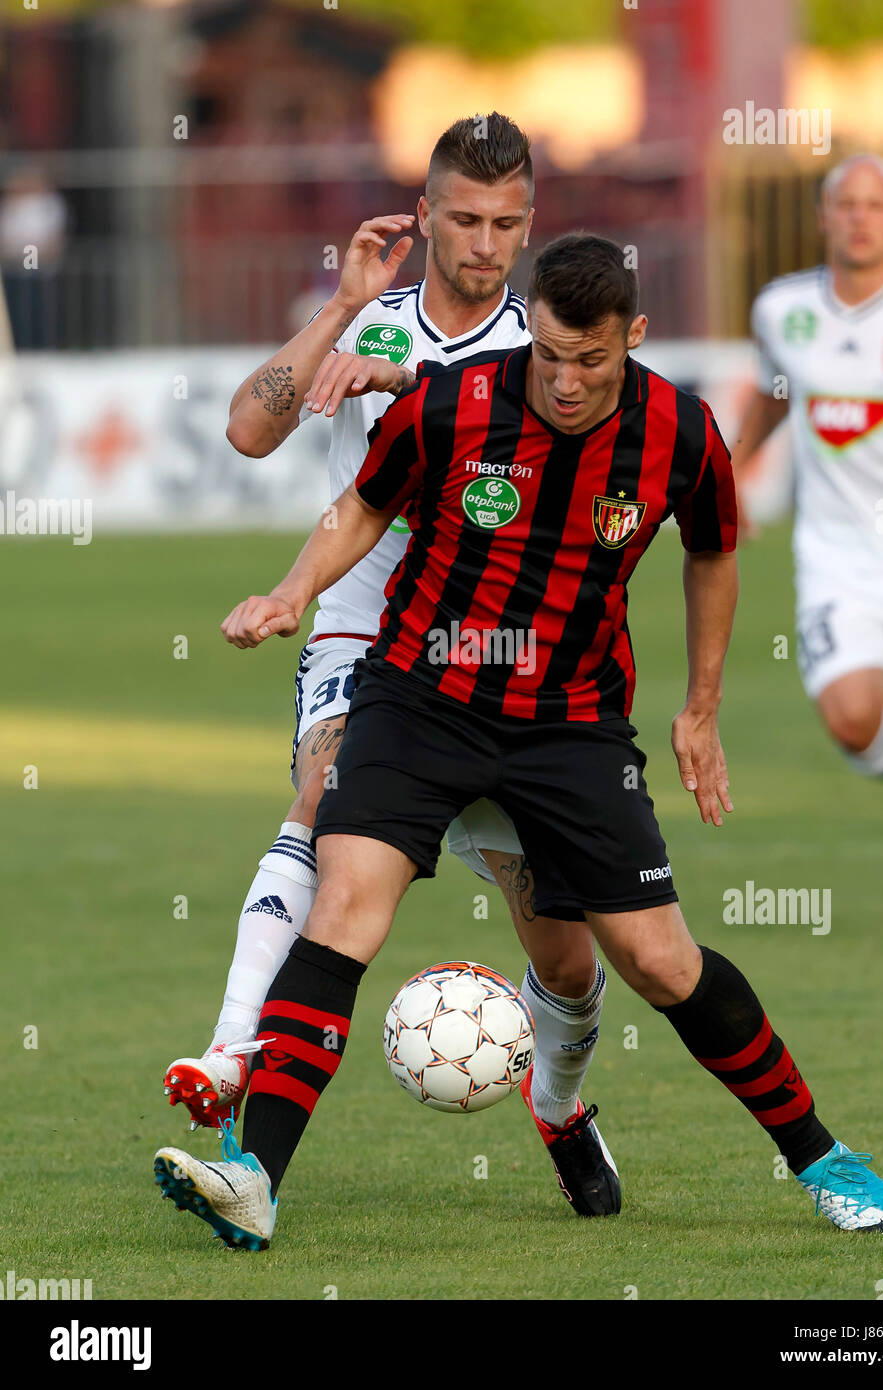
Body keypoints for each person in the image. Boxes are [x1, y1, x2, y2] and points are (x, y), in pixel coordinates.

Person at [155, 233, 883, 1250]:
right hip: (420, 698)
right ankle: (254, 1175)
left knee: (651, 959)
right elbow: (361, 506)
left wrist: (700, 708)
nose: (562, 380)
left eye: (590, 362)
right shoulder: (453, 402)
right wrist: (292, 593)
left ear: (632, 338)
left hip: (569, 726)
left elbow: (714, 552)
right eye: (547, 354)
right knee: (345, 907)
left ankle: (820, 1156)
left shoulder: (680, 432)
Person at [162, 113, 621, 1218]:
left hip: (500, 658)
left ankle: (556, 1103)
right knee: (321, 792)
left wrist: (414, 397)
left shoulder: (539, 351)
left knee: (560, 953)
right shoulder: (363, 321)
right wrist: (339, 314)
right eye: (461, 219)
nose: (483, 243)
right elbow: (245, 431)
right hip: (365, 640)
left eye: (506, 223)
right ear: (422, 217)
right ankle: (231, 1058)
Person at [732, 153, 883, 870]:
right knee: (852, 719)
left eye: (874, 206)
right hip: (837, 554)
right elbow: (773, 391)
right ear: (824, 217)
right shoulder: (782, 309)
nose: (859, 218)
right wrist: (735, 467)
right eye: (846, 204)